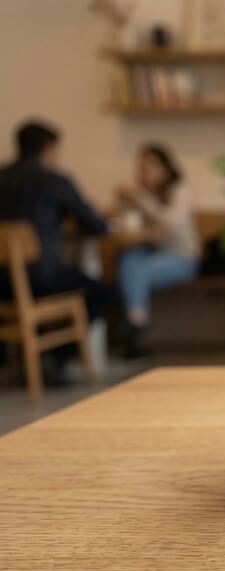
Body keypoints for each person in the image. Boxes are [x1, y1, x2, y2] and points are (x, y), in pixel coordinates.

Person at [0, 120, 110, 384]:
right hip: (39, 277)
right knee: (103, 293)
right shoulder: (54, 181)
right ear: (49, 149)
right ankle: (54, 358)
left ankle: (16, 361)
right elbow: (97, 225)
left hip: (0, 280)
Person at [115, 143, 199, 357]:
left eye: (148, 167)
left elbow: (171, 222)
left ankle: (135, 326)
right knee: (129, 259)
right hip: (153, 255)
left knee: (137, 269)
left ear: (164, 168)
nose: (143, 172)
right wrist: (126, 202)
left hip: (183, 258)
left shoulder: (179, 189)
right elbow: (130, 227)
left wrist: (141, 199)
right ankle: (136, 321)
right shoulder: (143, 194)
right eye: (140, 168)